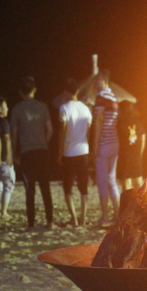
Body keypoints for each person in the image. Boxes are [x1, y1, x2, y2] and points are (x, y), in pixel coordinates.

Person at [11, 76, 54, 229]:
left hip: (26, 152)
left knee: (30, 189)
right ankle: (50, 221)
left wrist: (14, 153)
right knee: (45, 187)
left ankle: (31, 224)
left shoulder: (17, 109)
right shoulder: (43, 107)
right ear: (34, 90)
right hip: (41, 151)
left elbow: (14, 134)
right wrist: (43, 143)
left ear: (20, 92)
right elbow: (50, 130)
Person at [58, 79, 91, 226]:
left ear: (66, 91)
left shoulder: (64, 108)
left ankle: (74, 219)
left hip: (69, 152)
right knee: (83, 187)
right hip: (83, 151)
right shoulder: (86, 109)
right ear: (78, 91)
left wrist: (59, 153)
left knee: (68, 188)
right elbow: (88, 133)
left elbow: (62, 133)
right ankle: (83, 218)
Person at [92, 70, 121, 224]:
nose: (95, 82)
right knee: (112, 180)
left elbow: (99, 120)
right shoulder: (113, 97)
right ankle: (117, 214)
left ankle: (105, 216)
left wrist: (95, 144)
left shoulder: (101, 96)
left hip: (103, 142)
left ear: (104, 80)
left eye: (97, 79)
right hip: (114, 142)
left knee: (102, 181)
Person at [0, 97, 15, 222]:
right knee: (8, 185)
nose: (7, 109)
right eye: (5, 107)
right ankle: (4, 211)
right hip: (4, 158)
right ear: (0, 109)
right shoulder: (4, 122)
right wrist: (9, 155)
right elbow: (6, 138)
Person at [117, 101, 146, 191]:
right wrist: (139, 154)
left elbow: (117, 141)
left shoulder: (119, 124)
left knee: (127, 185)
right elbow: (143, 140)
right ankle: (143, 200)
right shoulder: (139, 123)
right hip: (136, 156)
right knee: (138, 183)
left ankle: (128, 200)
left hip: (124, 157)